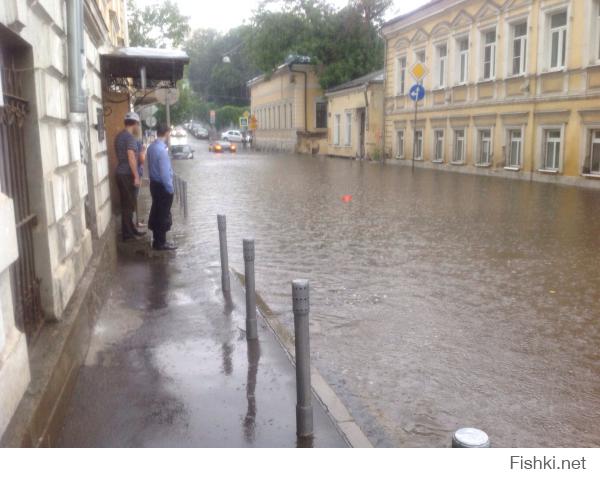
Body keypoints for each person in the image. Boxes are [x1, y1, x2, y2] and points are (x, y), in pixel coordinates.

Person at [115, 112, 145, 241]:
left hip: (121, 172)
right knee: (128, 205)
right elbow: (131, 156)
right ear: (135, 124)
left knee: (127, 203)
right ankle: (128, 234)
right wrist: (136, 176)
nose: (138, 127)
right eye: (138, 124)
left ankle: (131, 230)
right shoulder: (130, 138)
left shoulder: (119, 136)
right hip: (127, 174)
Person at [147, 123, 177, 251]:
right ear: (166, 133)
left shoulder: (151, 147)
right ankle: (161, 243)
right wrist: (170, 190)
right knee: (163, 214)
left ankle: (156, 240)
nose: (169, 135)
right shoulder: (162, 151)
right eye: (169, 133)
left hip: (154, 184)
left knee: (156, 211)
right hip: (162, 187)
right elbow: (165, 174)